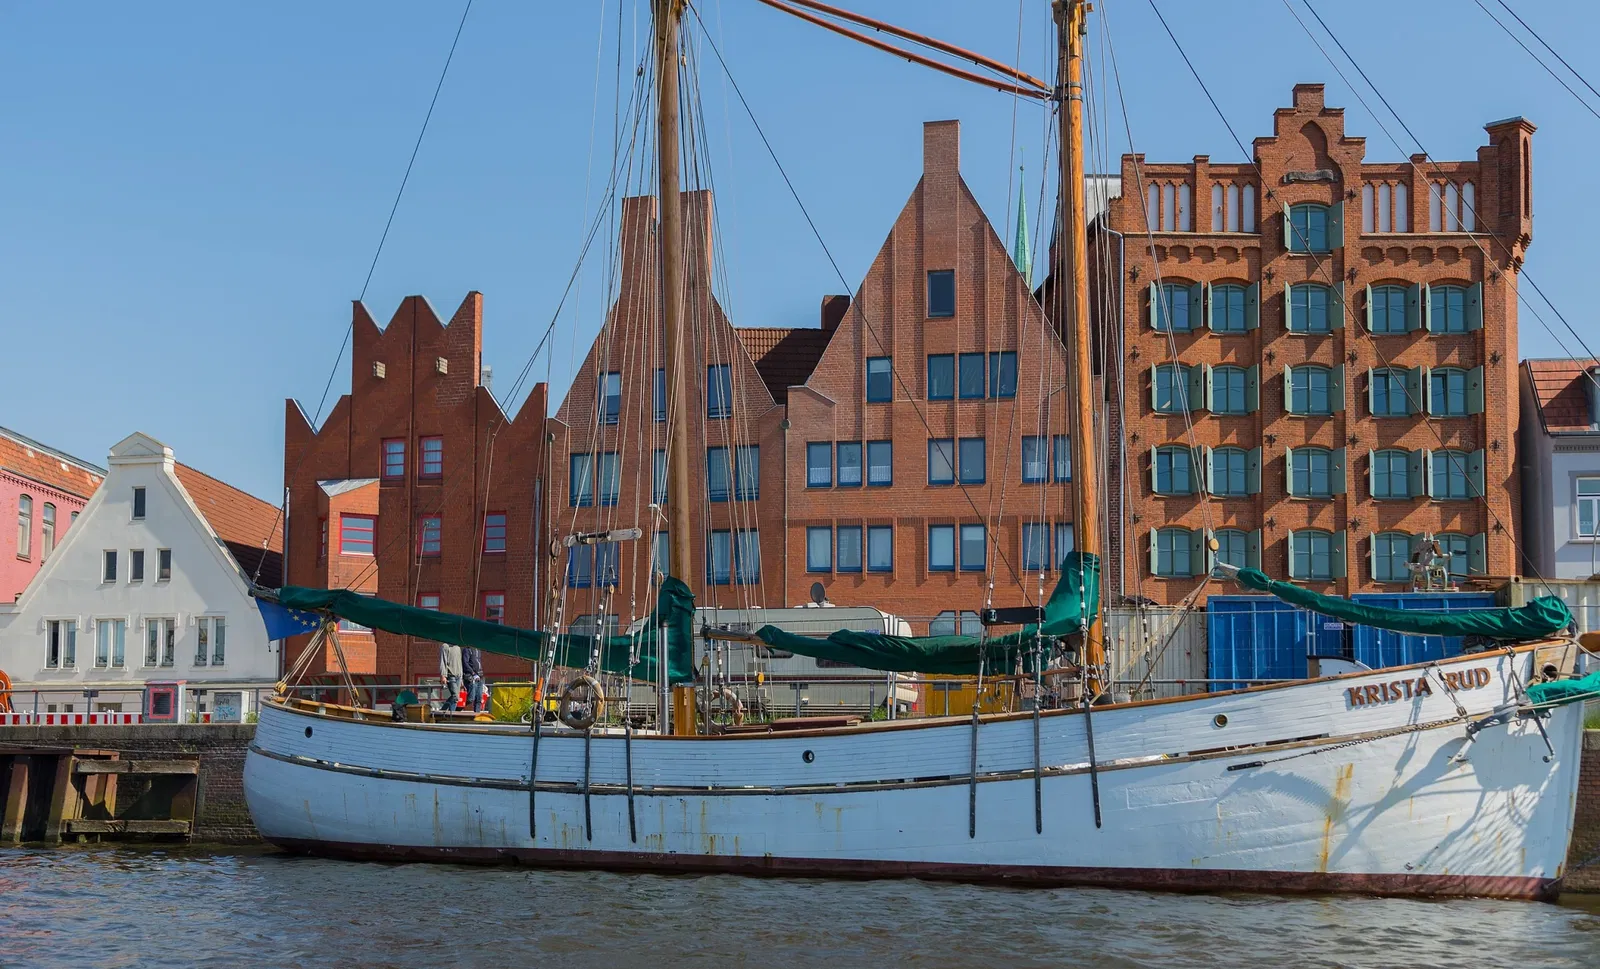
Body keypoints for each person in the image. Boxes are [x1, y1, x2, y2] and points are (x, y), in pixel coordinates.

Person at [439, 643, 463, 711]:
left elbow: (460, 662)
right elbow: (443, 662)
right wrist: (443, 675)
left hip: (458, 675)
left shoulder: (458, 647)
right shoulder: (445, 646)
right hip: (450, 675)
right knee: (455, 696)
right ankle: (442, 710)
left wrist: (461, 678)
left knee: (455, 699)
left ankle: (451, 714)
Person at [462, 646, 487, 714]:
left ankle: (477, 715)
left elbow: (478, 663)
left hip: (480, 677)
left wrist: (480, 673)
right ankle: (458, 708)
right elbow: (465, 663)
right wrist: (473, 673)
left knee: (479, 698)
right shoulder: (467, 649)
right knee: (471, 698)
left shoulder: (478, 650)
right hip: (471, 677)